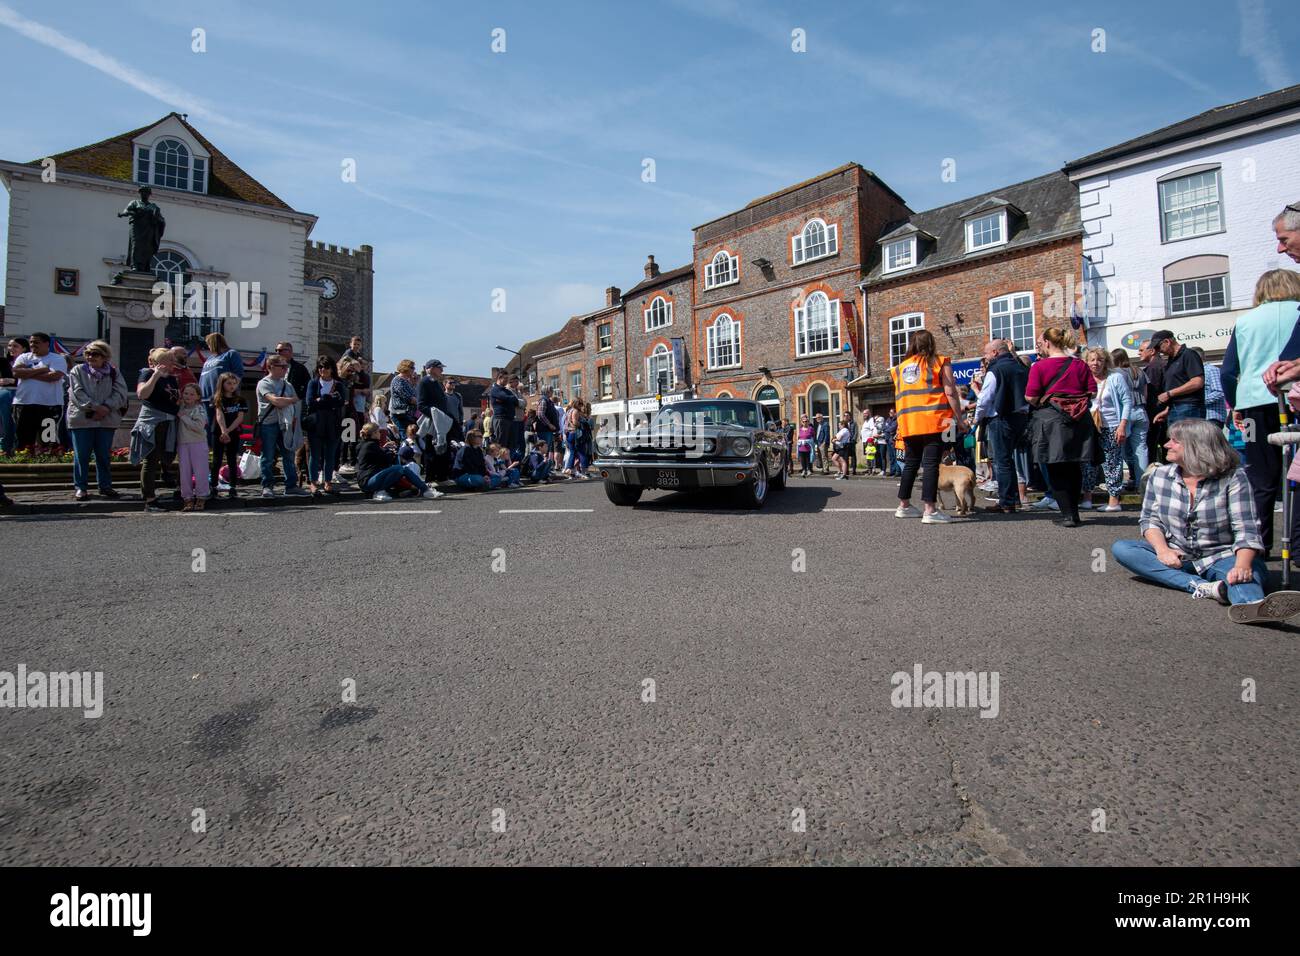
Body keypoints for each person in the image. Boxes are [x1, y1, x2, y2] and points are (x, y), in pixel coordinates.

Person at [1111, 419, 1300, 624]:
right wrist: (1162, 550)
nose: (1166, 445)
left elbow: (1246, 528)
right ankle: (1207, 588)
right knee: (1123, 549)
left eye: (1174, 441)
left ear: (1196, 447)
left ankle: (1253, 606)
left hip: (1223, 554)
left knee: (1242, 576)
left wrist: (1242, 565)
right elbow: (1150, 520)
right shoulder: (1160, 475)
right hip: (1178, 554)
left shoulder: (1234, 478)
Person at [1219, 269, 1300, 557]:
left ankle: (1259, 542)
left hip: (1252, 404)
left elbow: (1228, 372)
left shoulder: (1245, 321)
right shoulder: (1297, 312)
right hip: (1293, 398)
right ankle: (1298, 543)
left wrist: (1235, 406)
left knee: (1258, 473)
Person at [1024, 327, 1099, 528]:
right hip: (1079, 420)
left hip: (1051, 421)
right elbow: (1092, 392)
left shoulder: (1038, 367)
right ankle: (1074, 513)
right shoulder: (1080, 364)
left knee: (1055, 467)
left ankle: (1067, 515)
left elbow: (1030, 397)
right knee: (1074, 466)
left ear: (1047, 343)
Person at [890, 329, 964, 523]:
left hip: (908, 422)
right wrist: (960, 419)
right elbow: (950, 392)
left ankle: (903, 506)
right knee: (931, 464)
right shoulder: (939, 362)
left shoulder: (899, 368)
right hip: (934, 420)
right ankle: (930, 510)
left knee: (911, 463)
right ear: (931, 343)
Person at [67, 339, 128, 501]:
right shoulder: (77, 371)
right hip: (82, 419)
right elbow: (76, 393)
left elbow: (120, 393)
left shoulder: (114, 372)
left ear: (104, 357)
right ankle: (81, 487)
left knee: (103, 455)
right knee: (82, 455)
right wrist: (94, 407)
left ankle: (105, 485)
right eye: (87, 353)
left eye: (95, 354)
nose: (90, 357)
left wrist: (106, 408)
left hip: (106, 420)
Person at [974, 339, 1030, 513]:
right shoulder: (1020, 367)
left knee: (1002, 461)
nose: (985, 356)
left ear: (995, 352)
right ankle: (1013, 499)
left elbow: (985, 398)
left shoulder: (995, 369)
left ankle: (1007, 501)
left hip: (1001, 418)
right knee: (1009, 460)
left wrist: (977, 419)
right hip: (1021, 418)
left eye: (986, 353)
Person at [1081, 347, 1131, 513]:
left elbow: (1127, 402)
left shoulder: (1115, 378)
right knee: (1087, 463)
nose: (1095, 363)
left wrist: (1122, 425)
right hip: (1089, 426)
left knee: (1112, 463)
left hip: (1111, 425)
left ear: (1105, 362)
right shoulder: (1083, 378)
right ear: (1086, 361)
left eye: (1099, 360)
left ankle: (1114, 500)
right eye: (1092, 360)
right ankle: (1087, 498)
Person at [131, 347, 180, 513]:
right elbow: (142, 394)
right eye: (170, 360)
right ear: (160, 362)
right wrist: (156, 375)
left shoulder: (172, 379)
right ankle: (149, 499)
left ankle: (170, 488)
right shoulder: (147, 373)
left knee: (166, 457)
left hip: (169, 422)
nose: (174, 363)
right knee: (150, 460)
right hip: (153, 422)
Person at [256, 355, 310, 499]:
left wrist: (289, 403)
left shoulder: (287, 385)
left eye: (286, 366)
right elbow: (276, 401)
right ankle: (267, 486)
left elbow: (293, 403)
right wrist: (291, 400)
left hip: (286, 423)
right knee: (267, 456)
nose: (286, 369)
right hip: (269, 423)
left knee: (289, 454)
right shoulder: (264, 383)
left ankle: (291, 485)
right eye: (282, 366)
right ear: (271, 367)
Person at [11, 332, 68, 454]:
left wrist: (28, 373)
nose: (32, 345)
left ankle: (48, 466)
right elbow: (16, 373)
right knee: (23, 440)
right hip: (24, 403)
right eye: (31, 342)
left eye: (36, 342)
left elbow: (54, 376)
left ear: (46, 343)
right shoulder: (24, 357)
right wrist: (42, 369)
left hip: (49, 405)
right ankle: (23, 466)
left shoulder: (57, 359)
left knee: (48, 440)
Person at [355, 423, 438, 502]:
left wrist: (385, 449)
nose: (380, 433)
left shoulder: (365, 444)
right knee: (400, 468)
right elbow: (386, 460)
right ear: (374, 434)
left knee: (400, 470)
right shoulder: (370, 445)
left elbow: (376, 458)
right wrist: (391, 452)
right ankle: (425, 490)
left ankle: (381, 491)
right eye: (378, 431)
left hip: (367, 480)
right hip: (368, 480)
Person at [303, 355, 347, 495]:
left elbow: (341, 402)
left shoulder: (338, 384)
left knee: (330, 454)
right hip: (316, 422)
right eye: (320, 367)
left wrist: (321, 400)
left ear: (332, 369)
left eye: (326, 367)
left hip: (332, 423)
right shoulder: (313, 383)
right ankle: (313, 483)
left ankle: (327, 481)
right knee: (315, 454)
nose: (323, 370)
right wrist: (327, 399)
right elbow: (310, 402)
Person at [1110, 349, 1149, 491]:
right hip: (1141, 411)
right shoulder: (1139, 371)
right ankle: (1142, 484)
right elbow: (1145, 393)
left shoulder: (1116, 373)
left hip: (1125, 414)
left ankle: (1116, 485)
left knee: (1120, 450)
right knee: (1141, 449)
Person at [1149, 330, 1205, 425]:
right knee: (1177, 439)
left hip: (1189, 407)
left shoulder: (1189, 354)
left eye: (1158, 347)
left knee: (1189, 439)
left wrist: (1169, 394)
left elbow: (1197, 382)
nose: (1158, 351)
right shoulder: (1171, 360)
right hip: (1175, 408)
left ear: (1167, 342)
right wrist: (1167, 410)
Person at [174, 383, 210, 510]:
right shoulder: (180, 407)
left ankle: (201, 497)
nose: (188, 396)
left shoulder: (199, 409)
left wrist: (184, 417)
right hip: (183, 443)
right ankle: (187, 498)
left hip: (198, 442)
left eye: (192, 394)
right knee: (184, 473)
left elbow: (199, 427)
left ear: (197, 397)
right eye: (186, 393)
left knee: (200, 471)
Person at [210, 371, 245, 499]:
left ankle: (233, 486)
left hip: (233, 432)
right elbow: (219, 414)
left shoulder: (240, 400)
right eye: (229, 383)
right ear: (222, 384)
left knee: (232, 459)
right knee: (216, 460)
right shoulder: (217, 398)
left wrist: (228, 431)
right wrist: (223, 431)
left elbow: (239, 418)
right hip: (218, 432)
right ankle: (213, 486)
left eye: (234, 383)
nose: (232, 386)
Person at [418, 359, 451, 482]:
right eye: (439, 367)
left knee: (442, 449)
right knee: (431, 450)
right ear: (430, 368)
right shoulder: (425, 382)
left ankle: (441, 476)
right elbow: (421, 405)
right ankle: (430, 478)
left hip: (441, 421)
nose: (442, 370)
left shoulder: (436, 382)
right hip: (433, 422)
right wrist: (435, 415)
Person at [1138, 339, 1167, 466]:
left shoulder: (1155, 367)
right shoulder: (1157, 366)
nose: (1139, 353)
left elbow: (1154, 394)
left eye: (1141, 350)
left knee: (1156, 446)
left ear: (1152, 351)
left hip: (1157, 415)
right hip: (1159, 413)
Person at [0, 337, 28, 456]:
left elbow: (32, 378)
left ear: (24, 348)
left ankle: (19, 449)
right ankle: (5, 449)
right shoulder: (3, 361)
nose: (11, 348)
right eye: (10, 346)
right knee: (5, 423)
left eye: (15, 346)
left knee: (19, 423)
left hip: (22, 394)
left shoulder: (29, 362)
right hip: (5, 393)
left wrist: (12, 380)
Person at [1189, 347, 1226, 428]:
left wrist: (1199, 401)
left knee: (1210, 441)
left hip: (1212, 417)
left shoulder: (1211, 370)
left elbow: (1219, 392)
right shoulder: (1195, 372)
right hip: (1200, 418)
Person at [487, 371, 518, 452]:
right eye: (505, 378)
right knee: (501, 445)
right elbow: (506, 397)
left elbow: (515, 401)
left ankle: (507, 464)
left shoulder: (507, 391)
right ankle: (499, 463)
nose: (507, 380)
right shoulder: (495, 390)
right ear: (499, 378)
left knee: (510, 445)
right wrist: (509, 399)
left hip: (509, 420)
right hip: (501, 420)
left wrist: (507, 399)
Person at [389, 359, 418, 437]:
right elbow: (408, 398)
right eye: (412, 368)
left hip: (408, 414)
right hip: (401, 413)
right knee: (405, 437)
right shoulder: (398, 380)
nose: (414, 370)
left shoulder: (406, 381)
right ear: (405, 368)